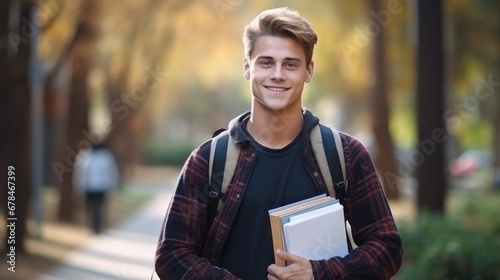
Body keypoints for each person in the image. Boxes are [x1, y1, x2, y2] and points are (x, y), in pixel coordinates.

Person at [154, 7, 403, 279]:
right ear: (247, 67)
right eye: (266, 62)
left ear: (308, 71)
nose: (278, 74)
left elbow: (387, 248)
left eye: (291, 64)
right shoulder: (209, 160)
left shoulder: (344, 155)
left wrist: (318, 273)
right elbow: (172, 255)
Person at [73, 142, 119, 234]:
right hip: (91, 187)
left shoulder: (105, 156)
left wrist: (113, 185)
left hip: (100, 187)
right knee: (92, 208)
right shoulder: (86, 155)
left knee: (98, 207)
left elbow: (112, 172)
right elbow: (80, 173)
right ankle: (93, 226)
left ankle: (97, 227)